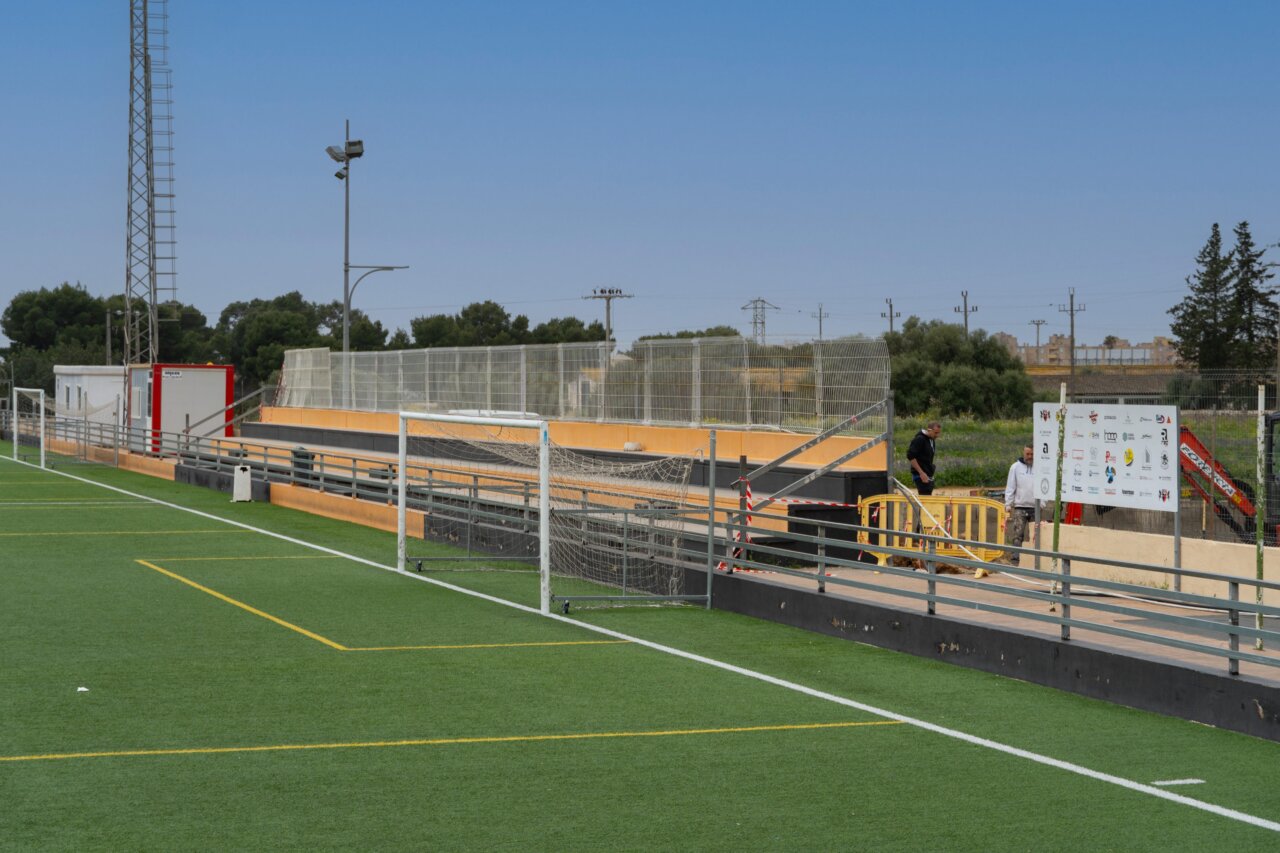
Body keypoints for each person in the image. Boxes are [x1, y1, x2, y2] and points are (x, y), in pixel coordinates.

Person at [1003, 444, 1037, 566]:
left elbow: (1045, 486)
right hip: (1020, 507)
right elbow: (1010, 486)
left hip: (1036, 507)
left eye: (1032, 454)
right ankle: (1015, 559)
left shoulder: (1040, 468)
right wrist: (1008, 504)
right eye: (1028, 454)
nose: (1030, 456)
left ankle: (1035, 561)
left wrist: (1042, 503)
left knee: (1036, 537)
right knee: (1018, 535)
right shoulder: (1015, 467)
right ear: (1023, 453)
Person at [906, 421, 941, 495]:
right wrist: (921, 473)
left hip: (928, 475)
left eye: (938, 433)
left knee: (927, 499)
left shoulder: (931, 440)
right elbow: (910, 456)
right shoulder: (920, 439)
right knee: (924, 499)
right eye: (936, 433)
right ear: (929, 430)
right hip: (920, 476)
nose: (937, 435)